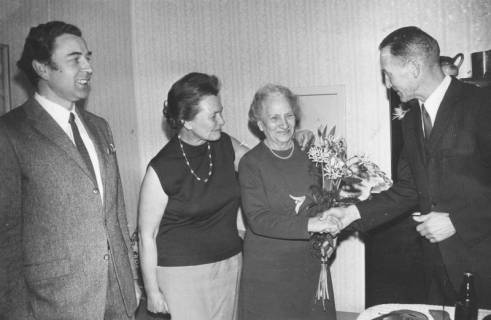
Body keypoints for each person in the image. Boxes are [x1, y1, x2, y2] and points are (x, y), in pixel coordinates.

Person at [323, 26, 491, 307]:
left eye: (388, 74)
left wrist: (457, 220)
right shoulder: (412, 119)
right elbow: (408, 189)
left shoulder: (482, 104)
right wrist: (349, 214)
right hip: (437, 270)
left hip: (484, 266)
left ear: (413, 68)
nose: (387, 84)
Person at [138, 73, 313, 320]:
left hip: (230, 263)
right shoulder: (161, 168)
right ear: (186, 121)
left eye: (220, 112)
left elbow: (263, 165)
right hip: (181, 271)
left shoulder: (224, 145)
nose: (222, 120)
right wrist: (152, 291)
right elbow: (147, 235)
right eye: (213, 116)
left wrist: (291, 139)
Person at [0, 21, 140, 319]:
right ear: (42, 68)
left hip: (118, 298)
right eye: (75, 59)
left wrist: (131, 282)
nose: (88, 67)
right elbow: (6, 237)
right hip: (54, 304)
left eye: (87, 57)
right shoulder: (10, 133)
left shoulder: (100, 127)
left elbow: (116, 212)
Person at [238, 84, 337, 320]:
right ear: (260, 124)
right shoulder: (251, 163)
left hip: (310, 264)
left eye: (288, 115)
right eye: (274, 118)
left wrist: (332, 233)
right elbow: (258, 220)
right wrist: (310, 225)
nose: (284, 124)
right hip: (269, 271)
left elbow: (325, 202)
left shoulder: (312, 155)